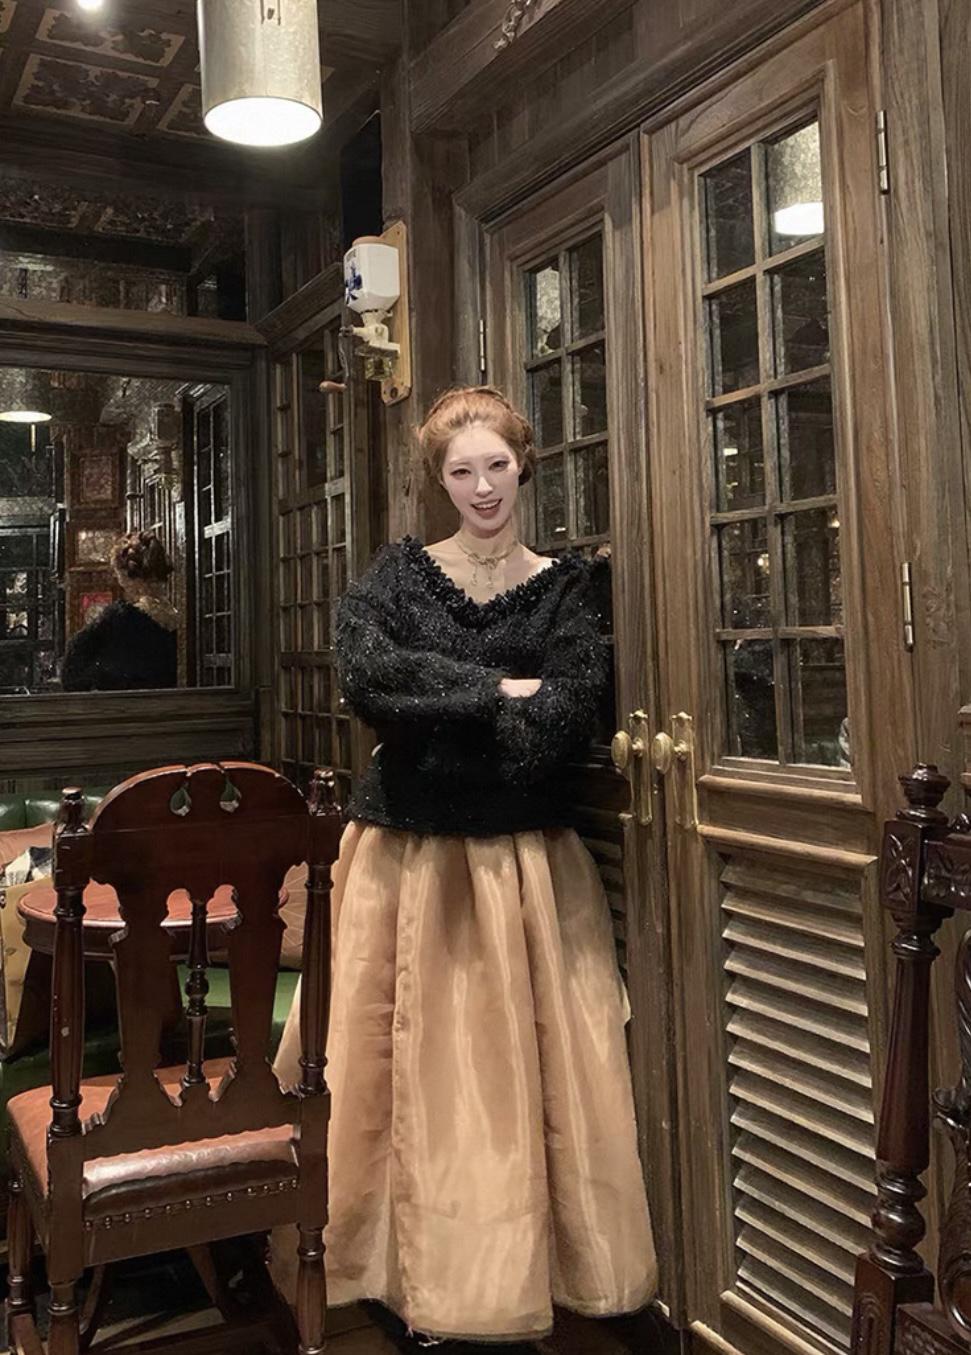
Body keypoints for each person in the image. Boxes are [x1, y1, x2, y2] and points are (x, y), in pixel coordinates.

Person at [273, 385, 656, 1343]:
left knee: (514, 1086)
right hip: (401, 857)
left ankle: (504, 1278)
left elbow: (566, 713)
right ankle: (390, 1271)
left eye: (495, 466)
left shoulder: (568, 587)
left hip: (522, 864)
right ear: (437, 480)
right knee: (390, 1072)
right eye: (460, 471)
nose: (481, 487)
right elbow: (367, 675)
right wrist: (498, 689)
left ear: (523, 466)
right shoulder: (398, 574)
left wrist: (443, 712)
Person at [61, 530, 178, 691]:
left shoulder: (119, 618)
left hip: (125, 703)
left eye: (117, 574)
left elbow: (71, 668)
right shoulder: (180, 616)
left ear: (124, 576)